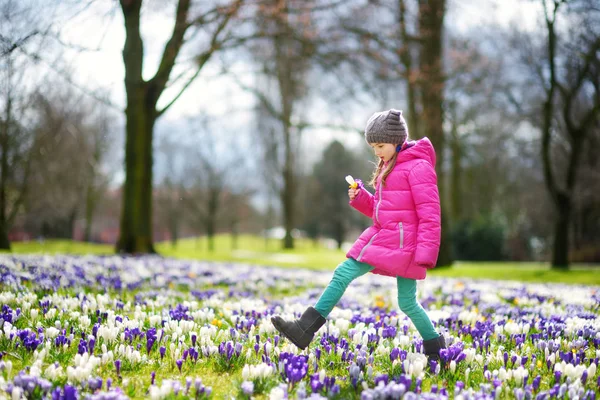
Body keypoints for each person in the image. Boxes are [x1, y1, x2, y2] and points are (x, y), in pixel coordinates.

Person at [270, 109, 446, 363]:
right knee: (384, 291)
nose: (377, 151)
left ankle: (303, 330)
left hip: (402, 244)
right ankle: (437, 350)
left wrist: (426, 253)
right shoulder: (390, 165)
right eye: (373, 146)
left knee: (387, 293)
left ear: (398, 140)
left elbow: (430, 214)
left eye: (381, 145)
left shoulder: (418, 168)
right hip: (387, 238)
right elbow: (382, 211)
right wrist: (362, 197)